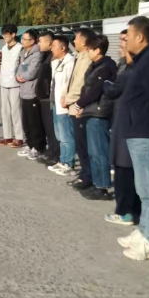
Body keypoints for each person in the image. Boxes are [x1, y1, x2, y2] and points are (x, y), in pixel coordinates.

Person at [115, 17, 149, 262]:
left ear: (139, 36)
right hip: (137, 132)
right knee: (143, 189)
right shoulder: (143, 59)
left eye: (128, 35)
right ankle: (145, 231)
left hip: (147, 133)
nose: (125, 40)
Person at [70, 34, 117, 201]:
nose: (88, 52)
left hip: (99, 112)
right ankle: (96, 183)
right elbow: (86, 88)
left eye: (90, 49)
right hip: (91, 111)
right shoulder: (95, 65)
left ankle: (102, 187)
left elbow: (94, 91)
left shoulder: (105, 67)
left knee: (99, 152)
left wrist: (79, 104)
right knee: (93, 151)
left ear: (98, 50)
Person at [104, 31, 141, 225]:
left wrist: (106, 84)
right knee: (122, 168)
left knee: (125, 169)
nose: (121, 44)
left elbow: (112, 89)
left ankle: (127, 211)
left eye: (125, 40)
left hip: (129, 126)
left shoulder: (132, 71)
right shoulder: (124, 66)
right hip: (122, 121)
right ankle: (129, 210)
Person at [64, 28, 95, 190]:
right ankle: (84, 173)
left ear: (84, 41)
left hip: (79, 106)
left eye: (76, 38)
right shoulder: (80, 56)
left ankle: (88, 176)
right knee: (80, 143)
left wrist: (69, 99)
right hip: (73, 105)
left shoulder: (87, 58)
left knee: (84, 145)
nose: (74, 41)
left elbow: (80, 83)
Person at [16, 29, 46, 160]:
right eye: (22, 39)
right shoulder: (24, 53)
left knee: (34, 122)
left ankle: (38, 147)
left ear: (32, 41)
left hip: (32, 92)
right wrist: (18, 76)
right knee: (26, 121)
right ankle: (29, 144)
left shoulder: (37, 54)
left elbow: (32, 72)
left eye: (25, 39)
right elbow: (20, 69)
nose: (22, 41)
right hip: (23, 91)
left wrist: (22, 76)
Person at [49, 35, 76, 175]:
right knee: (59, 135)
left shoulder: (70, 62)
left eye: (54, 46)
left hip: (64, 104)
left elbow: (69, 83)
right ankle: (63, 160)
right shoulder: (57, 62)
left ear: (63, 48)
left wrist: (67, 99)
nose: (51, 49)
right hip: (55, 103)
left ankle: (69, 163)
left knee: (66, 136)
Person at [0, 25, 25, 148]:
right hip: (4, 83)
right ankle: (7, 136)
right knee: (5, 111)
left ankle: (19, 137)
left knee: (16, 111)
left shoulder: (20, 48)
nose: (5, 36)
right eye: (4, 34)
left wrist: (21, 77)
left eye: (7, 34)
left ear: (13, 34)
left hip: (15, 84)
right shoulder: (4, 48)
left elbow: (24, 65)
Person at [35, 31, 60, 165]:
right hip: (44, 97)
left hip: (49, 97)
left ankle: (56, 153)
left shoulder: (53, 58)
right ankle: (51, 150)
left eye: (40, 41)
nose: (38, 44)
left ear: (49, 43)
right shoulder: (45, 57)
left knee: (52, 127)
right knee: (47, 127)